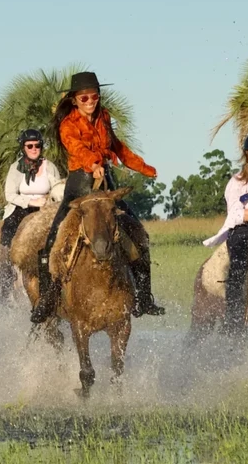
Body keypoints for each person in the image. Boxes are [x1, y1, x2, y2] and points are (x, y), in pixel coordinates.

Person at [30, 71, 165, 324]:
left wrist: (144, 167)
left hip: (106, 187)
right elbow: (77, 149)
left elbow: (118, 147)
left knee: (138, 233)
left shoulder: (103, 117)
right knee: (52, 240)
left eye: (94, 96)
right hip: (79, 186)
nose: (90, 101)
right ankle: (47, 299)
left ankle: (145, 296)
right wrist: (93, 164)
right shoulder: (67, 125)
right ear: (74, 100)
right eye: (84, 98)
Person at [201, 132, 248, 331]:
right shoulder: (237, 182)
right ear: (247, 155)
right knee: (239, 261)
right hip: (243, 230)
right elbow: (236, 214)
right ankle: (233, 315)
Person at [0, 128, 63, 300]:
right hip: (20, 208)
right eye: (29, 145)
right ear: (23, 147)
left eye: (37, 145)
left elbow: (59, 189)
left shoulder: (50, 167)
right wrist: (32, 202)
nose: (33, 148)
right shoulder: (15, 168)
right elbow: (10, 195)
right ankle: (5, 274)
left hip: (46, 209)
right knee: (9, 231)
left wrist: (46, 203)